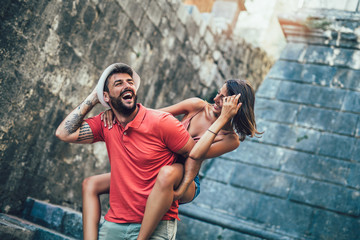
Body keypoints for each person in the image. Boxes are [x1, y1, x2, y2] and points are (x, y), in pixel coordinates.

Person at [82, 77, 262, 239]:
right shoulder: (197, 106)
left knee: (167, 173)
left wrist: (222, 120)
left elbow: (195, 153)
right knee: (91, 183)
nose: (215, 99)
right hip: (157, 166)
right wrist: (115, 112)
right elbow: (149, 116)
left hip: (185, 177)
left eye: (223, 98)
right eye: (218, 93)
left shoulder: (231, 140)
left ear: (235, 106)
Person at [55, 63, 197, 240]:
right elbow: (63, 133)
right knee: (89, 183)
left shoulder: (162, 122)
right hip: (115, 224)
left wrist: (181, 189)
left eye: (130, 82)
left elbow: (194, 155)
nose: (127, 86)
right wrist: (93, 97)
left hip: (157, 225)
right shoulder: (105, 123)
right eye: (119, 83)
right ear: (105, 96)